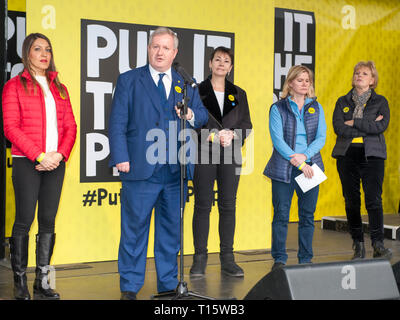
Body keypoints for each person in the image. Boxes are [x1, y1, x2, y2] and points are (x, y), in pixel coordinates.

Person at [108, 27, 208, 300]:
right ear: (148, 49)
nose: (159, 52)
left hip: (175, 171)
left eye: (166, 48)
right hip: (140, 169)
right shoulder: (130, 80)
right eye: (155, 46)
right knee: (134, 231)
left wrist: (189, 113)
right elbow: (117, 122)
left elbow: (201, 115)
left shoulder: (185, 84)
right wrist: (120, 157)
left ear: (175, 53)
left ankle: (167, 284)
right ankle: (130, 286)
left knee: (170, 232)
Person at [2, 33, 77, 300]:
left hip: (56, 163)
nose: (44, 53)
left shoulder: (60, 88)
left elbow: (71, 126)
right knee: (24, 221)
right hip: (27, 162)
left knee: (47, 221)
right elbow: (11, 127)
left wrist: (60, 155)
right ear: (27, 53)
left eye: (47, 49)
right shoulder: (14, 87)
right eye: (37, 49)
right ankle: (20, 283)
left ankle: (41, 283)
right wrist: (38, 156)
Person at [190, 47, 252, 277]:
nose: (221, 64)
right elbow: (191, 123)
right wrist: (214, 135)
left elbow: (247, 125)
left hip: (231, 153)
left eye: (226, 61)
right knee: (203, 206)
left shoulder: (239, 93)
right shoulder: (197, 90)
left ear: (231, 67)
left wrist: (233, 135)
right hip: (204, 152)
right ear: (210, 63)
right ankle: (199, 260)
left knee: (228, 206)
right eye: (218, 59)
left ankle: (228, 259)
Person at [264, 65, 326, 271]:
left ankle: (305, 259)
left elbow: (321, 138)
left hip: (311, 167)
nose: (305, 84)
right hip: (284, 168)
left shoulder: (316, 107)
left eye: (307, 80)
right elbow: (278, 140)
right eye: (300, 80)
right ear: (290, 83)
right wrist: (299, 162)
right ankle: (279, 259)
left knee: (307, 215)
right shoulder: (278, 108)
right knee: (281, 215)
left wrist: (306, 158)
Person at [332, 61, 391, 260]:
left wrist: (355, 122)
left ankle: (378, 244)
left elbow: (381, 126)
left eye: (365, 73)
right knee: (351, 202)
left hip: (372, 155)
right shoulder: (342, 101)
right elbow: (339, 128)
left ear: (372, 80)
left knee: (373, 201)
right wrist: (367, 124)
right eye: (357, 72)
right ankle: (358, 244)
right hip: (347, 155)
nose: (359, 76)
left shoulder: (380, 101)